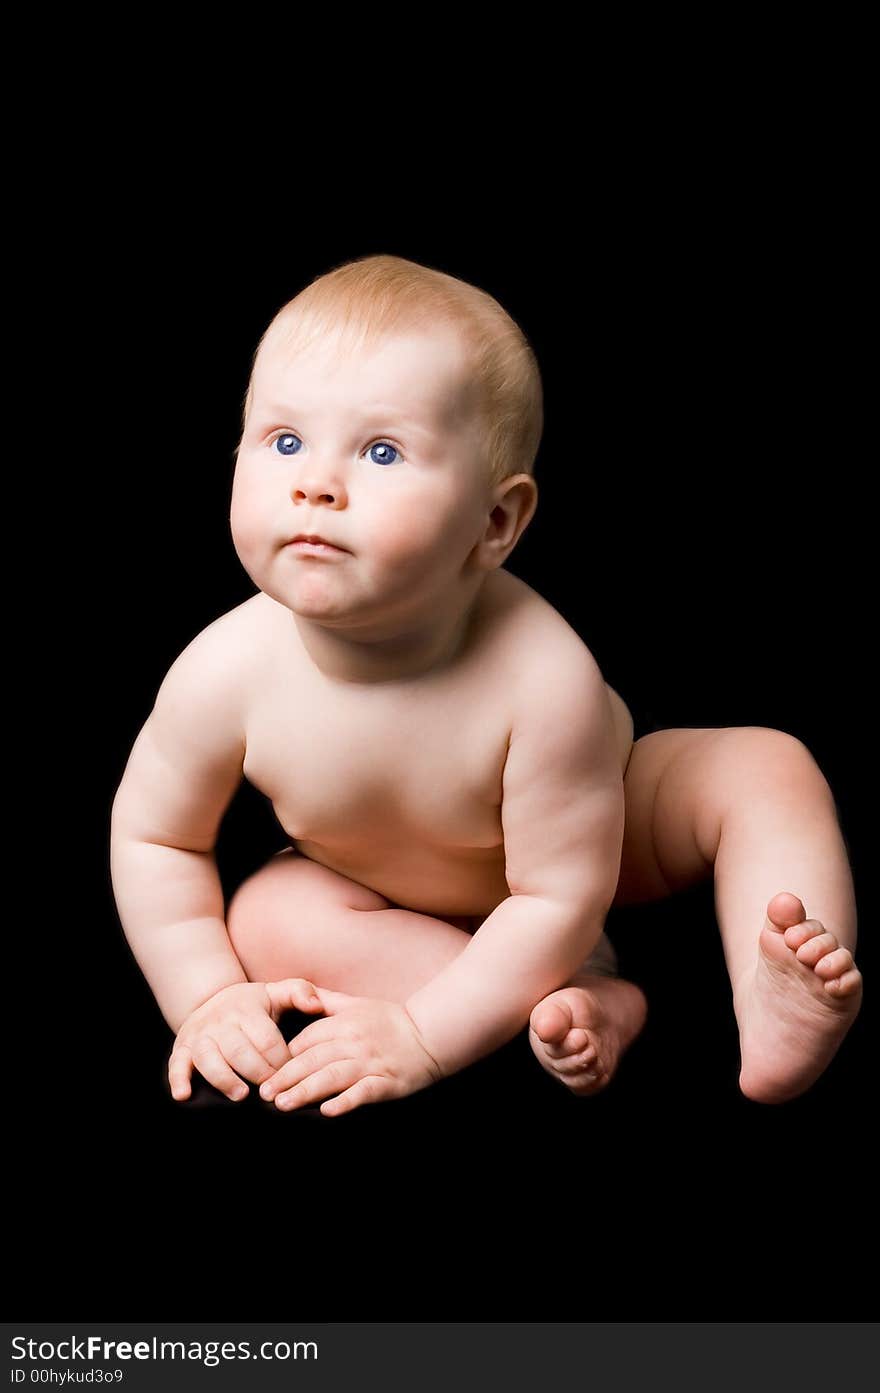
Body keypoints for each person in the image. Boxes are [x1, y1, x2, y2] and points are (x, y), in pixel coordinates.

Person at [109, 253, 862, 1119]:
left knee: (766, 766)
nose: (314, 484)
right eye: (284, 440)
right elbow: (156, 839)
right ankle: (566, 997)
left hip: (599, 843)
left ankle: (779, 979)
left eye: (382, 450)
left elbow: (559, 894)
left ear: (496, 521)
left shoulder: (544, 678)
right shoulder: (224, 667)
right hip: (377, 888)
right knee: (267, 914)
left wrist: (421, 1039)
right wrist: (202, 994)